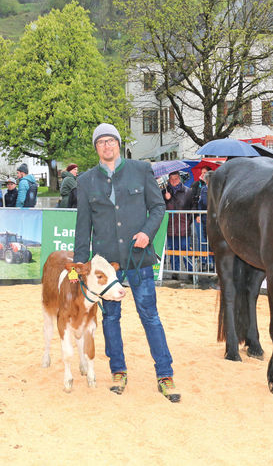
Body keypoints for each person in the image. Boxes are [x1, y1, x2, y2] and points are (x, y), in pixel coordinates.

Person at [74, 122, 180, 403]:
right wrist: (79, 266)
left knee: (150, 316)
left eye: (111, 141)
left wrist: (147, 232)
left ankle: (165, 374)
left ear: (118, 144)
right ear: (96, 147)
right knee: (111, 318)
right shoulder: (85, 181)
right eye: (101, 142)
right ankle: (118, 371)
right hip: (107, 267)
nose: (107, 146)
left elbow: (158, 207)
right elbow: (82, 227)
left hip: (139, 260)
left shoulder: (141, 170)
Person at [164, 170, 194, 274]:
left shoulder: (188, 191)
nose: (173, 181)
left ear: (179, 178)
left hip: (184, 227)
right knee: (172, 250)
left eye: (176, 178)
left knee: (186, 249)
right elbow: (160, 207)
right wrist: (166, 199)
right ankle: (175, 271)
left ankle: (191, 271)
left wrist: (189, 220)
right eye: (171, 179)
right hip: (169, 227)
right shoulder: (164, 192)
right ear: (168, 180)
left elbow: (193, 207)